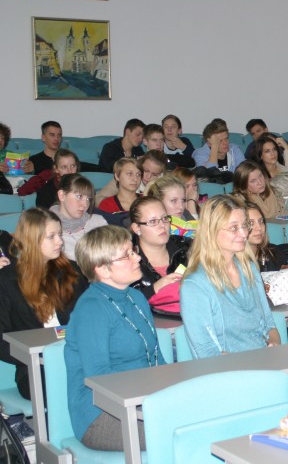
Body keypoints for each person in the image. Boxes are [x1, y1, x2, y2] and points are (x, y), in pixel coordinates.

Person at [66, 225, 164, 451]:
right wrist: (148, 403)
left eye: (133, 251)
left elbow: (156, 358)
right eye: (127, 255)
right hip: (101, 414)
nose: (137, 258)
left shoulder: (136, 297)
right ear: (103, 269)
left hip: (144, 401)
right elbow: (101, 378)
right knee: (179, 430)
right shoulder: (91, 308)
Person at [0, 208, 87, 399]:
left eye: (60, 235)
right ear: (31, 239)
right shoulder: (6, 281)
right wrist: (33, 356)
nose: (60, 241)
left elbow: (89, 319)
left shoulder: (72, 272)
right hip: (34, 368)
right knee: (71, 386)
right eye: (51, 236)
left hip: (77, 358)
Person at [180, 195, 280, 358]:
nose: (244, 233)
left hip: (263, 361)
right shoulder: (195, 284)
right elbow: (206, 353)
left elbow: (269, 324)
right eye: (234, 228)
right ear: (211, 232)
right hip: (228, 370)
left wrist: (274, 345)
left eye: (244, 225)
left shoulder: (249, 268)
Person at [128, 196, 190, 302]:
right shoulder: (127, 261)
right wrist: (155, 288)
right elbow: (123, 303)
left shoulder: (187, 247)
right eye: (153, 221)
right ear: (136, 228)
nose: (162, 225)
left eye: (165, 218)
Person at [52, 174, 107, 260]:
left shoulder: (98, 222)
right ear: (62, 195)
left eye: (88, 199)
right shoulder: (48, 231)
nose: (85, 204)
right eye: (79, 196)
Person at [245, 201, 287, 272]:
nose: (259, 227)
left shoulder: (275, 253)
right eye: (250, 223)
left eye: (261, 221)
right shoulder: (233, 262)